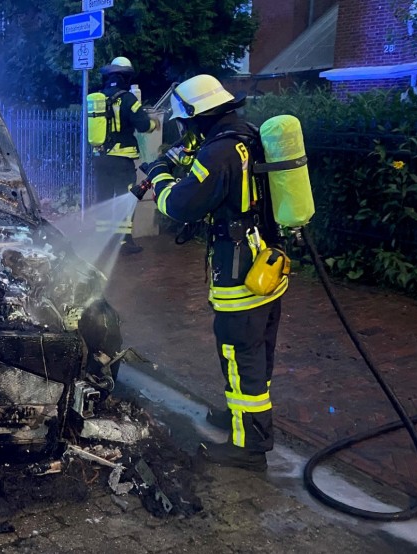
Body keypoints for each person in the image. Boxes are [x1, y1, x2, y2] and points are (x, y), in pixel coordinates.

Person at [143, 74, 287, 471]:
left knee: (239, 348)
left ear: (196, 115)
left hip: (240, 266)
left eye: (185, 123)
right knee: (256, 348)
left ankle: (249, 447)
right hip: (267, 261)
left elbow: (178, 205)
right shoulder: (248, 136)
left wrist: (159, 174)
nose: (184, 131)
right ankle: (243, 419)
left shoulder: (220, 152)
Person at [90, 57, 158, 254]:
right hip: (121, 160)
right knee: (125, 199)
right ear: (126, 78)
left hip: (101, 158)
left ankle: (103, 240)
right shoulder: (128, 99)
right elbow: (144, 125)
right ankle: (124, 241)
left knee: (103, 198)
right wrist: (155, 124)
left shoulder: (100, 98)